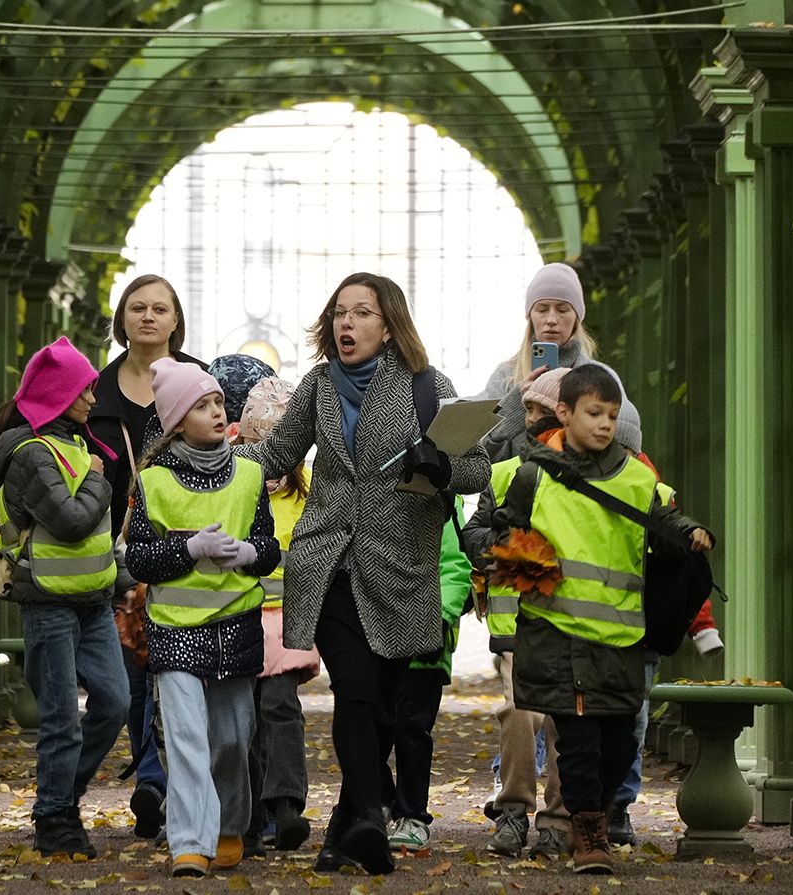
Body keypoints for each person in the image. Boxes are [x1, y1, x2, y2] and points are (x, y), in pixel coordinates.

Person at [234, 272, 491, 876]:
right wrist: (205, 460)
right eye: (339, 314)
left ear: (388, 323)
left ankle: (343, 832)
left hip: (401, 569)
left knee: (384, 709)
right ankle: (373, 814)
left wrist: (441, 467)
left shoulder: (429, 389)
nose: (346, 324)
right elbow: (275, 455)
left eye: (361, 313)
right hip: (327, 565)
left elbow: (477, 469)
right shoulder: (319, 386)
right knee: (354, 692)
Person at [463, 366, 714, 874]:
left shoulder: (637, 478)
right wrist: (511, 556)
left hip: (620, 638)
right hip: (555, 635)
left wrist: (691, 533)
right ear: (565, 412)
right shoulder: (525, 475)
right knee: (577, 741)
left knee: (621, 742)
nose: (604, 425)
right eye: (594, 414)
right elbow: (479, 536)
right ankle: (588, 834)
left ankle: (591, 814)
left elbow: (664, 516)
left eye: (612, 416)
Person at [124, 359, 282, 878]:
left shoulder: (252, 475)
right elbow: (140, 559)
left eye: (218, 403)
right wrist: (189, 547)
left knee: (234, 738)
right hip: (174, 632)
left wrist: (246, 554)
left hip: (236, 627)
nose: (217, 412)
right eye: (202, 406)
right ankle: (189, 840)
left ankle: (231, 825)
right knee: (186, 739)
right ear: (175, 424)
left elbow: (268, 549)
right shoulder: (151, 483)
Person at [0, 336, 127, 858]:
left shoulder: (75, 446)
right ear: (62, 394)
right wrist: (98, 483)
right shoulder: (30, 453)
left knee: (115, 701)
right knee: (61, 716)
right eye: (86, 389)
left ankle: (63, 796)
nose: (94, 398)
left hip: (92, 598)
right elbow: (69, 521)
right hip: (47, 601)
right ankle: (54, 818)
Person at [86, 275, 206, 839]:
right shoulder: (95, 393)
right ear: (123, 319)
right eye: (138, 307)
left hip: (189, 546)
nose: (149, 317)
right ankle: (151, 781)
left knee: (181, 669)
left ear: (176, 320)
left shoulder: (199, 383)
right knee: (134, 671)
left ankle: (172, 780)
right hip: (117, 550)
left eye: (160, 308)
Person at [604, 397, 723, 848]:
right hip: (605, 624)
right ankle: (595, 806)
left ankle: (618, 805)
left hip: (640, 629)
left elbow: (682, 570)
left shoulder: (657, 494)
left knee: (631, 720)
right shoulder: (574, 484)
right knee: (612, 720)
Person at [479, 367, 573, 858]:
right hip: (514, 617)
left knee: (563, 720)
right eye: (528, 409)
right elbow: (475, 534)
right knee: (519, 712)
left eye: (540, 410)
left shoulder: (590, 480)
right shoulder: (504, 473)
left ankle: (557, 821)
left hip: (571, 618)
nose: (530, 419)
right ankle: (513, 812)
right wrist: (502, 546)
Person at [236, 376, 321, 853]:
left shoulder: (308, 493)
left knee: (280, 708)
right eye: (256, 442)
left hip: (288, 622)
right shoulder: (235, 485)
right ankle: (249, 816)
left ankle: (286, 805)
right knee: (243, 717)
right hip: (239, 618)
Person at [381, 494, 472, 856]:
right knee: (368, 725)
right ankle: (380, 803)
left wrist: (437, 621)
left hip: (425, 646)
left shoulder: (442, 500)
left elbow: (454, 567)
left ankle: (412, 814)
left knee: (411, 730)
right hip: (377, 637)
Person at [477, 263, 619, 464]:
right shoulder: (504, 377)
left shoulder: (600, 378)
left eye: (563, 309)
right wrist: (517, 404)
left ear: (577, 318)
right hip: (514, 494)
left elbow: (618, 450)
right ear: (530, 316)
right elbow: (480, 459)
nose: (551, 319)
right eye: (542, 309)